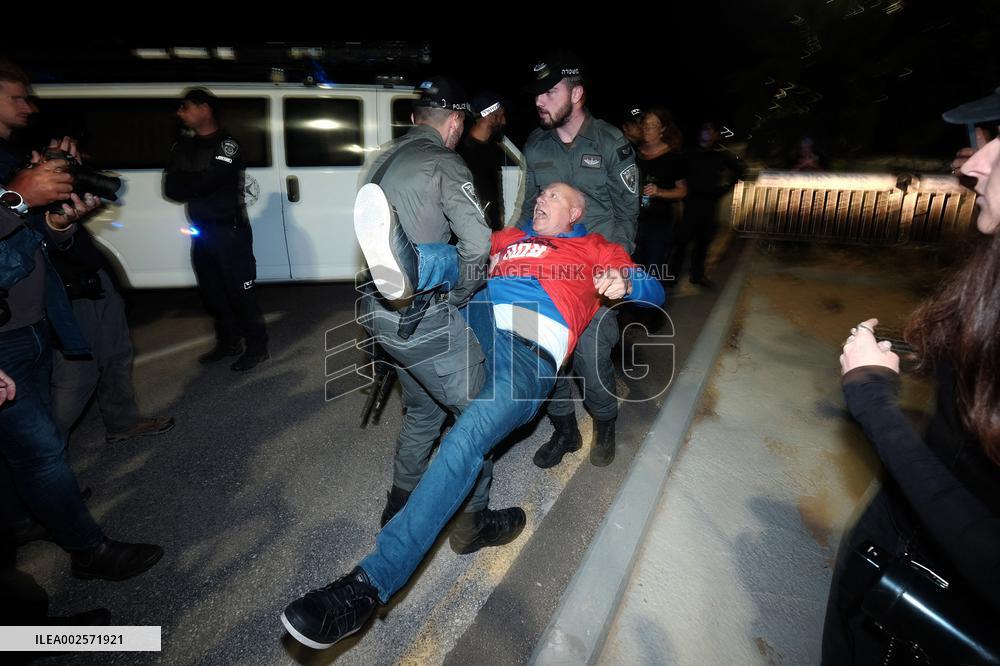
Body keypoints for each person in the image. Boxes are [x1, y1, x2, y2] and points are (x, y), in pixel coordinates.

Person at [281, 182, 664, 650]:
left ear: (577, 211)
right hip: (475, 317)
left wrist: (625, 282)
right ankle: (409, 265)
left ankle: (365, 588)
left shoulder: (591, 247)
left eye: (552, 198)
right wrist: (431, 260)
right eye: (539, 195)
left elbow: (652, 288)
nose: (540, 199)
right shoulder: (512, 236)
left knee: (464, 440)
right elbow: (470, 257)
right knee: (468, 258)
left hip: (530, 341)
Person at [821, 89, 1000, 664]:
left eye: (996, 144)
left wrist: (872, 398)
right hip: (896, 552)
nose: (972, 164)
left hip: (933, 604)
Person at [357, 76, 524, 554]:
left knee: (423, 412)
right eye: (460, 125)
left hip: (379, 315)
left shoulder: (381, 159)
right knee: (479, 420)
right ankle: (472, 526)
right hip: (425, 319)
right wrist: (458, 298)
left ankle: (398, 503)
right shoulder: (445, 162)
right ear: (453, 122)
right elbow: (478, 245)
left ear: (415, 119)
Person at [0, 165, 163, 582]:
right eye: (15, 95)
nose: (28, 106)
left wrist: (55, 223)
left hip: (30, 327)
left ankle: (26, 519)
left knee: (24, 452)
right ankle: (89, 552)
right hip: (7, 345)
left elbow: (24, 246)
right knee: (44, 453)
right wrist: (13, 199)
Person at [0, 63, 174, 444]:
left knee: (115, 354)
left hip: (84, 266)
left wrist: (65, 212)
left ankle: (122, 423)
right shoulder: (14, 163)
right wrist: (21, 193)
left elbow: (46, 227)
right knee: (75, 378)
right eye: (16, 98)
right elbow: (18, 224)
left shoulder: (16, 150)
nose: (28, 106)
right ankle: (47, 463)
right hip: (46, 289)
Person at [521, 56, 640, 468]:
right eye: (537, 92)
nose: (540, 99)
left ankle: (604, 422)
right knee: (545, 357)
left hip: (595, 277)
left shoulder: (610, 143)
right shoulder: (535, 145)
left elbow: (627, 215)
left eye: (549, 91)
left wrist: (617, 268)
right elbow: (526, 211)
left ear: (576, 93)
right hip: (548, 276)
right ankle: (565, 431)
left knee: (591, 361)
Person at [164, 87, 268, 372]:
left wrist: (190, 179)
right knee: (211, 292)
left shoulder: (227, 145)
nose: (180, 113)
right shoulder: (182, 146)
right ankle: (228, 342)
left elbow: (209, 182)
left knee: (241, 292)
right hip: (202, 231)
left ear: (205, 109)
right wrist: (194, 180)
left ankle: (257, 347)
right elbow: (171, 188)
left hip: (229, 231)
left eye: (185, 107)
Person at [672, 121, 743, 288]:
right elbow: (676, 173)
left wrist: (724, 189)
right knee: (681, 242)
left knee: (703, 243)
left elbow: (739, 171)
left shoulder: (720, 156)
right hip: (690, 204)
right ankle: (672, 275)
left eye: (711, 131)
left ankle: (697, 276)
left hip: (710, 205)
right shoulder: (688, 154)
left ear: (716, 135)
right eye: (705, 129)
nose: (707, 133)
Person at [634, 106, 687, 277]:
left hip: (659, 222)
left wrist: (659, 192)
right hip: (633, 221)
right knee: (633, 266)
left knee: (653, 267)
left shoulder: (673, 157)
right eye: (645, 124)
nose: (647, 128)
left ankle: (651, 302)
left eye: (653, 125)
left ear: (663, 129)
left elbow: (682, 192)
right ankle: (633, 301)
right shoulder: (633, 154)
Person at [457, 91, 507, 231]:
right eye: (501, 116)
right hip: (474, 229)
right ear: (490, 116)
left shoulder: (493, 148)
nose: (504, 121)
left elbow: (494, 188)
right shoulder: (461, 151)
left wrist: (500, 215)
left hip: (493, 227)